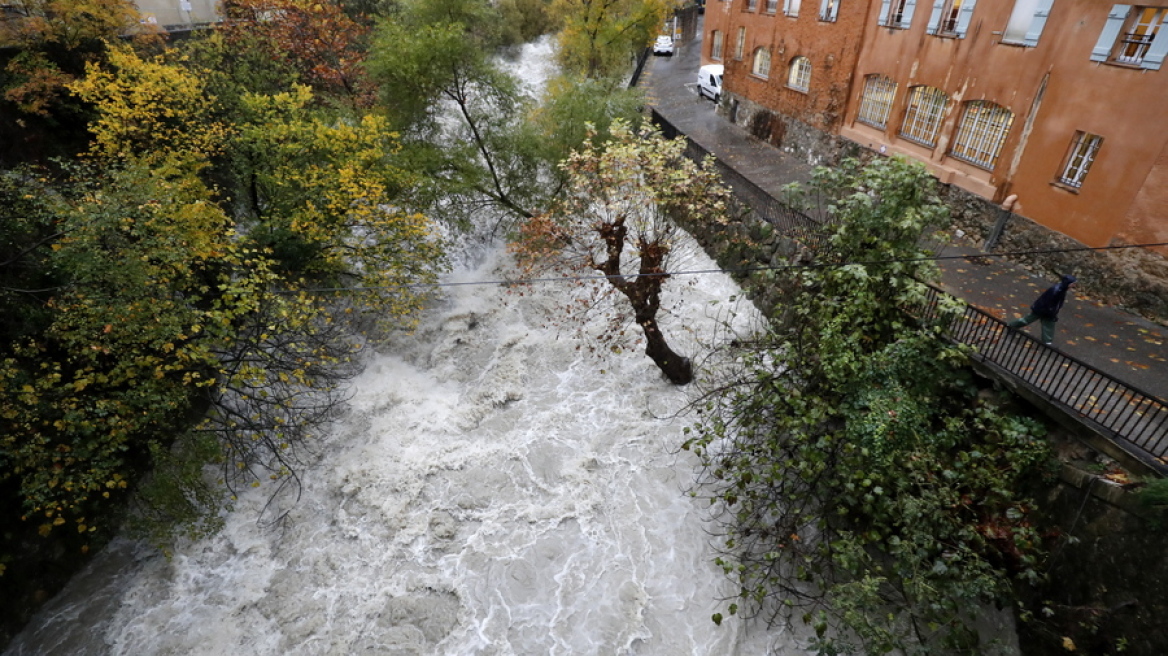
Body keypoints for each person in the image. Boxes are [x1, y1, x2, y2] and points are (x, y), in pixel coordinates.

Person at [1008, 274, 1077, 345]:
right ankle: (1012, 325)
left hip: (1044, 310)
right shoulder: (1057, 290)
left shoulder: (1060, 290)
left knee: (1043, 324)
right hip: (1043, 310)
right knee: (1033, 321)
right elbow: (1049, 303)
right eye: (1073, 284)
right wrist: (1051, 313)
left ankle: (1013, 325)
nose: (1074, 286)